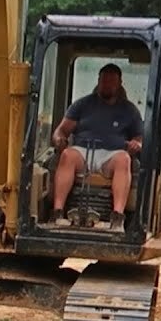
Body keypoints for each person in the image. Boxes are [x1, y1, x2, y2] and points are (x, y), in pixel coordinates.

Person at [49, 63, 144, 228]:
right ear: (98, 81)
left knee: (124, 159)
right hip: (83, 152)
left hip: (111, 155)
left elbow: (139, 136)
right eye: (103, 81)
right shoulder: (82, 105)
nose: (106, 85)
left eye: (111, 82)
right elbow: (61, 130)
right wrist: (59, 139)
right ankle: (57, 212)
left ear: (119, 84)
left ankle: (117, 218)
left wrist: (137, 143)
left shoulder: (130, 110)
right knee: (67, 155)